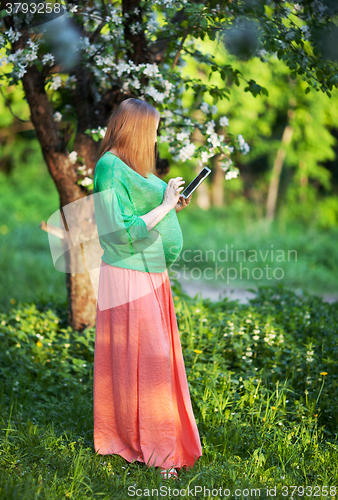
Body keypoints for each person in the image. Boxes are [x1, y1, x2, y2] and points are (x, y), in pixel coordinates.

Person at [92, 97, 202, 480]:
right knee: (147, 360)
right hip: (127, 274)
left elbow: (146, 211)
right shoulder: (108, 168)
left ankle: (147, 439)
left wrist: (172, 201)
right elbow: (121, 231)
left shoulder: (132, 169)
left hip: (151, 273)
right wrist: (166, 205)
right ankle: (157, 451)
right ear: (137, 130)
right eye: (152, 130)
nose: (155, 138)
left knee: (152, 359)